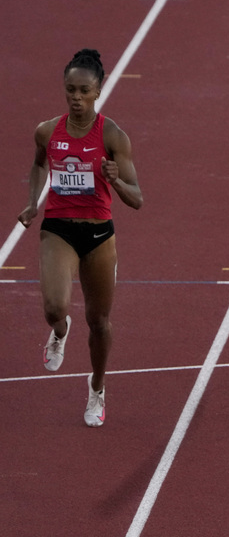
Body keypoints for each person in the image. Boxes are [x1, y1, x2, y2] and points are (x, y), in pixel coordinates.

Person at [17, 49, 143, 427]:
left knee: (99, 322)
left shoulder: (113, 136)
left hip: (100, 234)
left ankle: (97, 387)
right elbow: (39, 163)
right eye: (69, 89)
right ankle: (59, 331)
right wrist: (31, 203)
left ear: (97, 91)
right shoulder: (47, 130)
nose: (75, 97)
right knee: (55, 308)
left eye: (83, 90)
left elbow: (137, 199)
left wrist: (114, 178)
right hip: (58, 227)